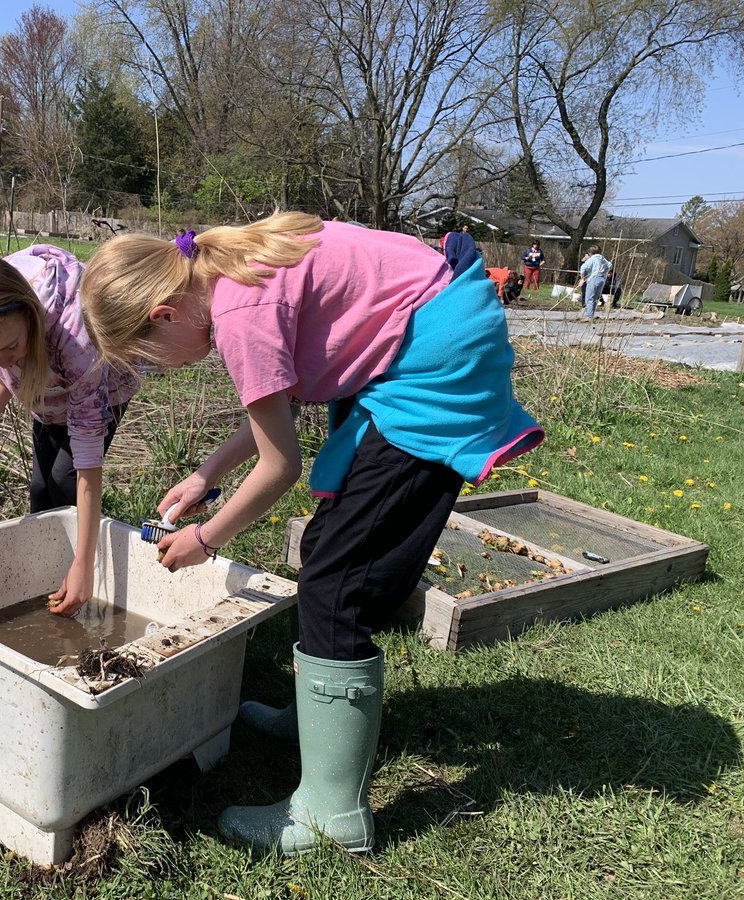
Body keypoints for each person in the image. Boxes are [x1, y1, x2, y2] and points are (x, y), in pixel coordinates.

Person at [80, 214, 543, 856]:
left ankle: (333, 814)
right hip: (424, 337)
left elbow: (281, 466)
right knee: (326, 550)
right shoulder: (230, 268)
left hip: (436, 368)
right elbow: (281, 406)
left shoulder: (238, 313)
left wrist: (206, 540)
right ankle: (316, 719)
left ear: (164, 315)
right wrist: (207, 474)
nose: (160, 369)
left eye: (148, 359)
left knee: (335, 586)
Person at [0, 245, 138, 615]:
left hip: (101, 389)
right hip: (47, 391)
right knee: (42, 488)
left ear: (29, 312)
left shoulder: (76, 338)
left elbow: (88, 458)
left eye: (11, 347)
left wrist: (84, 564)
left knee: (64, 479)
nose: (4, 361)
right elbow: (6, 362)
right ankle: (44, 578)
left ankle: (75, 574)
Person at [577, 245, 612, 323]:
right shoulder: (602, 258)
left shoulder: (592, 259)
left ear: (590, 252)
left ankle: (589, 316)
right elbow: (610, 265)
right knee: (594, 298)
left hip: (594, 278)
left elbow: (583, 267)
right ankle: (591, 315)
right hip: (602, 279)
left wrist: (582, 278)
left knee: (589, 298)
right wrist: (605, 272)